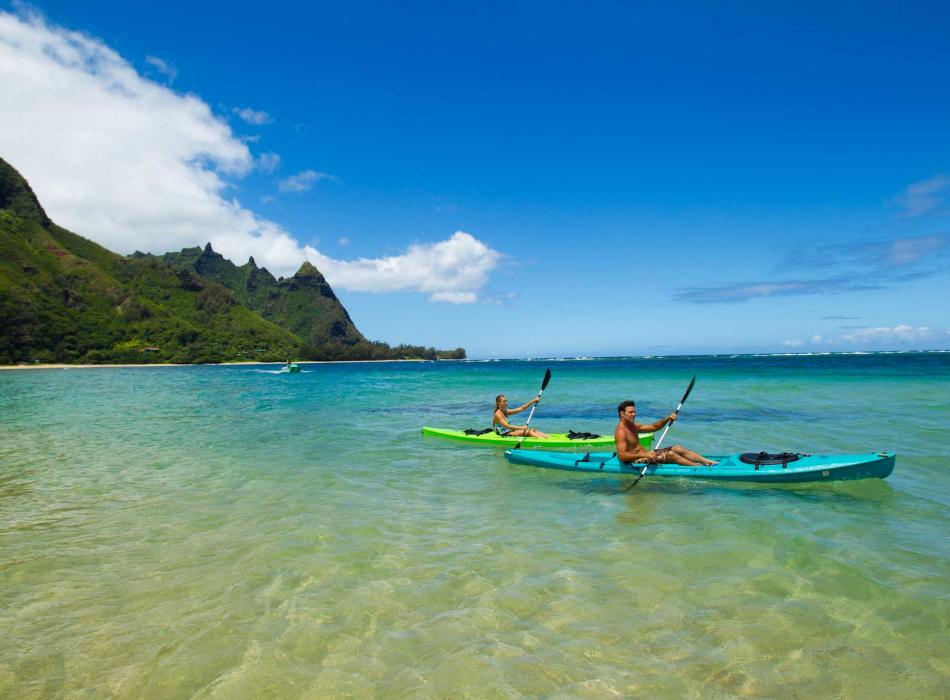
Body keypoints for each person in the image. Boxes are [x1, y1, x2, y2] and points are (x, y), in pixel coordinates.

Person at [614, 399, 716, 466]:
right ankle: (697, 468)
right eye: (630, 412)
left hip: (646, 455)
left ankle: (707, 462)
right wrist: (645, 455)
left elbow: (654, 427)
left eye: (635, 412)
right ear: (622, 414)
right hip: (636, 460)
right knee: (670, 454)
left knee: (677, 448)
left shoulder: (633, 425)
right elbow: (622, 456)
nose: (634, 414)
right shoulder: (621, 432)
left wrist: (667, 419)